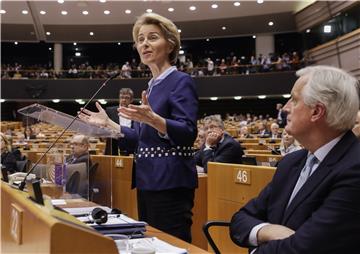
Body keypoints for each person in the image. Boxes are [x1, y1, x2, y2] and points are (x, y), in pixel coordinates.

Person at [79, 13, 198, 243]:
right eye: (140, 39)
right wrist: (109, 125)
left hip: (170, 181)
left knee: (172, 244)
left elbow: (188, 133)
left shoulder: (180, 81)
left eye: (152, 37)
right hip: (147, 179)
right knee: (152, 244)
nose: (144, 44)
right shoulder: (151, 87)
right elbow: (140, 141)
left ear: (170, 43)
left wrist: (155, 120)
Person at [230, 65, 360, 253]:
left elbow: (304, 248)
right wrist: (267, 230)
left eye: (294, 99)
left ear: (316, 112)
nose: (285, 108)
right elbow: (241, 219)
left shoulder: (354, 168)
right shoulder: (290, 163)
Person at [104, 88, 134, 155]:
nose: (124, 100)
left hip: (130, 147)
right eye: (122, 97)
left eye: (127, 98)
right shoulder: (110, 111)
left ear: (131, 100)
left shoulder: (135, 113)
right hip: (114, 147)